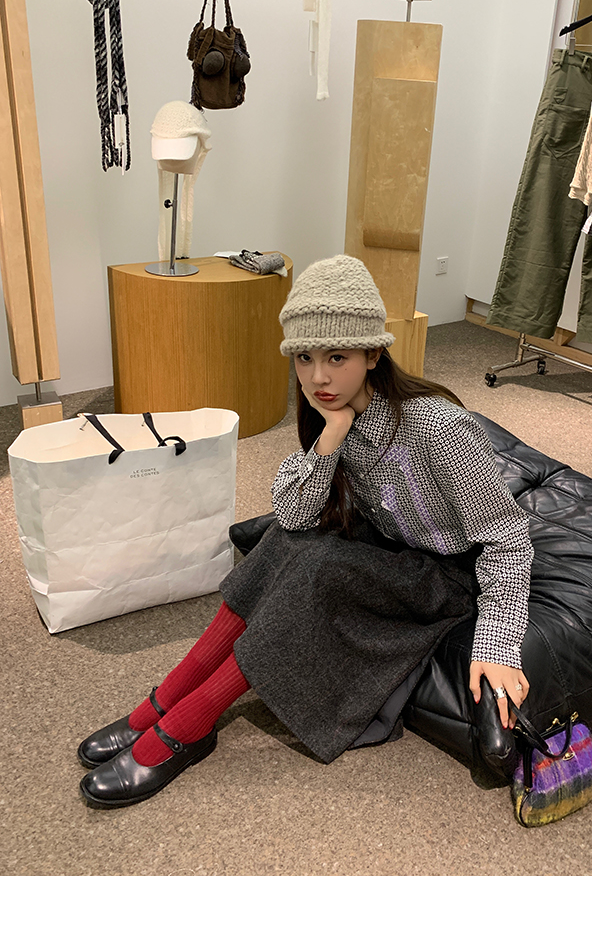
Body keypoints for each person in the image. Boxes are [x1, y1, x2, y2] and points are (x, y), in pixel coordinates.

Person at [78, 255, 533, 808]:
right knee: (284, 540)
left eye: (337, 357)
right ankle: (165, 700)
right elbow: (292, 513)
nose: (318, 377)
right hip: (392, 548)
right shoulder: (334, 413)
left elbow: (508, 539)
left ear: (373, 354)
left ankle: (187, 725)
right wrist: (331, 435)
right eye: (305, 358)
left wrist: (497, 643)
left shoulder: (439, 427)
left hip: (447, 576)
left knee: (315, 568)